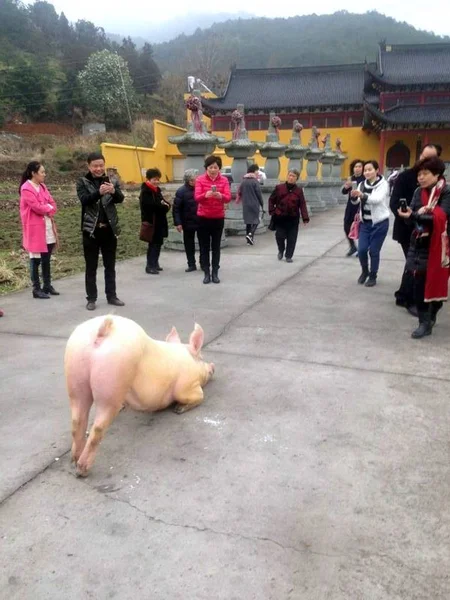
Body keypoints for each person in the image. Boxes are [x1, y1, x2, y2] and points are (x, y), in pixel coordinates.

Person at [397, 157, 450, 339]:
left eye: (425, 173)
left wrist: (415, 216)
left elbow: (442, 217)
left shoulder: (447, 192)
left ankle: (433, 311)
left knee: (436, 283)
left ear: (437, 174)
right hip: (418, 244)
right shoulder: (419, 192)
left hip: (440, 246)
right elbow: (411, 213)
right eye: (419, 174)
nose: (421, 177)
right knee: (418, 284)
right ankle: (424, 322)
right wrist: (406, 215)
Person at [390, 143, 442, 314]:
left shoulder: (439, 183)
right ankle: (410, 300)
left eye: (430, 158)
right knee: (415, 266)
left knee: (414, 265)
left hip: (429, 230)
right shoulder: (406, 177)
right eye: (423, 157)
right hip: (408, 230)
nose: (425, 161)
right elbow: (394, 201)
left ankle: (403, 296)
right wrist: (409, 217)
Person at [76, 152, 125, 311]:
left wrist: (113, 191)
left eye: (101, 165)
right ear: (89, 166)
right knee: (91, 266)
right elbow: (84, 200)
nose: (98, 168)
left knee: (110, 265)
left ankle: (112, 296)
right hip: (91, 230)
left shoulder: (112, 180)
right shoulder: (82, 181)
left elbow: (120, 199)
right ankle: (91, 298)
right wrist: (99, 192)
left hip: (109, 229)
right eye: (95, 166)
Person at [19, 161, 59, 299]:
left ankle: (47, 285)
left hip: (47, 226)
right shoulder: (26, 188)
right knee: (35, 259)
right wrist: (47, 207)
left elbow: (53, 203)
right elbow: (36, 206)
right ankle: (36, 288)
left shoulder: (42, 186)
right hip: (34, 228)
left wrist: (48, 207)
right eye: (42, 172)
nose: (44, 174)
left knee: (46, 257)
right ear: (33, 173)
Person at [350, 160, 390, 287]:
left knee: (374, 251)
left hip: (379, 223)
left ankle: (373, 275)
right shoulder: (361, 184)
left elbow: (376, 200)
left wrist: (362, 195)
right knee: (361, 250)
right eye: (365, 170)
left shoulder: (383, 184)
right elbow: (356, 202)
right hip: (365, 223)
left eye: (370, 169)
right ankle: (364, 271)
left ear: (377, 170)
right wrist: (353, 196)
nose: (367, 172)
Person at [194, 155, 232, 284]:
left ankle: (215, 271)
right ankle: (206, 272)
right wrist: (206, 195)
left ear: (219, 168)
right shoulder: (200, 179)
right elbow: (197, 198)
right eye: (210, 167)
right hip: (203, 217)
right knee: (204, 247)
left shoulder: (224, 180)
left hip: (218, 217)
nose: (213, 170)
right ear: (206, 168)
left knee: (216, 246)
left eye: (215, 167)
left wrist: (220, 195)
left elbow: (228, 197)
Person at [268, 169, 309, 262]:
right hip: (280, 217)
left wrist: (305, 217)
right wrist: (272, 211)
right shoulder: (279, 188)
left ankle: (288, 256)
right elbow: (271, 200)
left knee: (292, 238)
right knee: (279, 236)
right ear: (287, 176)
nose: (291, 177)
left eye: (293, 176)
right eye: (290, 175)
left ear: (296, 178)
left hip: (293, 218)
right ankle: (281, 250)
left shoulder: (299, 191)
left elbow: (302, 204)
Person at [140, 168, 171, 275]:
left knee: (158, 243)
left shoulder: (157, 190)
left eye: (158, 179)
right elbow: (152, 206)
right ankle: (150, 265)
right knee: (152, 244)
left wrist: (166, 205)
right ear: (149, 179)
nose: (157, 181)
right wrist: (164, 207)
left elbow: (165, 203)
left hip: (159, 222)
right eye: (154, 179)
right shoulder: (146, 191)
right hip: (151, 222)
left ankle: (155, 263)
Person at [173, 169, 201, 272]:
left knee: (203, 243)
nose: (196, 181)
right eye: (193, 179)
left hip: (201, 221)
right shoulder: (181, 191)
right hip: (187, 222)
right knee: (189, 245)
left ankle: (203, 262)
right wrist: (178, 223)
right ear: (188, 180)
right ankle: (191, 264)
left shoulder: (201, 189)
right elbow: (176, 209)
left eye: (196, 179)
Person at [341, 159, 365, 257]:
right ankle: (352, 246)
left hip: (360, 206)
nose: (357, 169)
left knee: (361, 228)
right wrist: (347, 187)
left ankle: (362, 248)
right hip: (350, 206)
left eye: (359, 166)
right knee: (346, 226)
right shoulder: (351, 178)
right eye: (355, 167)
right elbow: (343, 191)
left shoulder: (364, 179)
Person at [236, 164, 264, 246]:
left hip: (245, 204)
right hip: (254, 204)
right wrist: (262, 204)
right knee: (256, 220)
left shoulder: (243, 181)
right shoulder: (255, 181)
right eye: (257, 171)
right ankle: (250, 234)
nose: (258, 172)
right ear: (253, 171)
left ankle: (249, 241)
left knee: (248, 222)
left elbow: (240, 192)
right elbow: (259, 194)